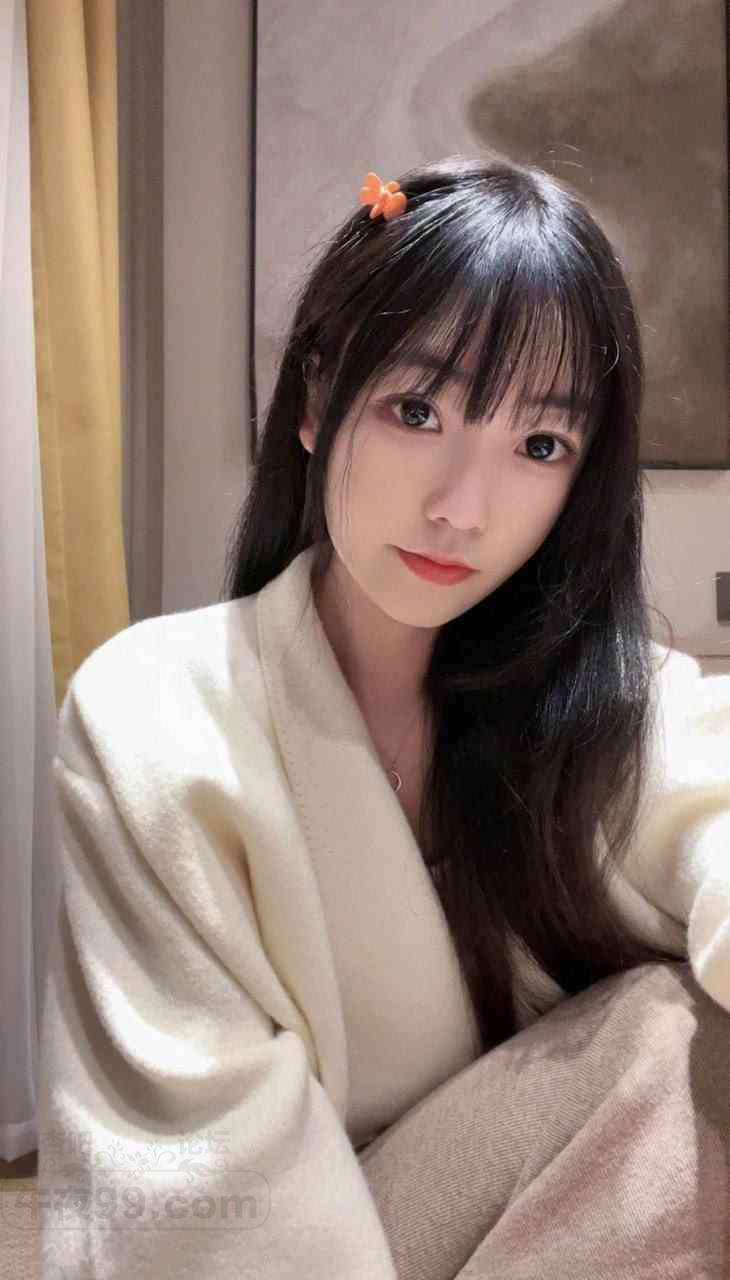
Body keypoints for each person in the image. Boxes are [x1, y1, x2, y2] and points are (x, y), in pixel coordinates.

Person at [38, 153, 730, 1280]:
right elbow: (189, 1180)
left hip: (533, 1220)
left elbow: (716, 815)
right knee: (666, 1036)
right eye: (418, 410)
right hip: (300, 1243)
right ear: (317, 402)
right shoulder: (154, 713)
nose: (462, 507)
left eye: (539, 445)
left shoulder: (608, 699)